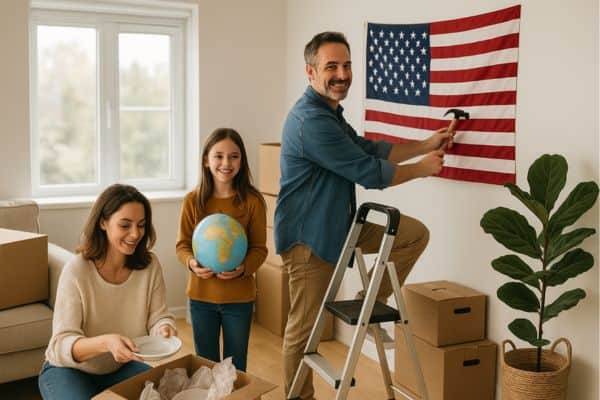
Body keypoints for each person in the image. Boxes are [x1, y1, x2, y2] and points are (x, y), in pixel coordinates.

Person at [274, 31, 456, 399]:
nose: (342, 74)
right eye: (331, 67)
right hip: (310, 239)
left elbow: (368, 150)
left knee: (412, 234)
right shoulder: (311, 121)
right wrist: (422, 168)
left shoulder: (329, 113)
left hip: (341, 227)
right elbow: (368, 172)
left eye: (347, 65)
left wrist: (425, 144)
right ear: (310, 72)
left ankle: (372, 299)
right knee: (304, 330)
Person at [38, 184, 177, 400]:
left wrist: (164, 328)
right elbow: (60, 344)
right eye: (125, 225)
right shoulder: (77, 270)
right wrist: (106, 343)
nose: (135, 234)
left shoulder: (150, 265)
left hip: (121, 369)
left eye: (141, 225)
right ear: (103, 222)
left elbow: (158, 316)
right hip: (68, 371)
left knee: (163, 394)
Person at [176, 128, 267, 372]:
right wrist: (192, 263)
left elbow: (259, 249)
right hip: (201, 298)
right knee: (204, 367)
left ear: (242, 161)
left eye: (234, 156)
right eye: (218, 156)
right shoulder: (192, 201)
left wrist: (243, 269)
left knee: (235, 368)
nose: (226, 163)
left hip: (239, 299)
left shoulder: (253, 201)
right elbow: (182, 246)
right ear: (206, 160)